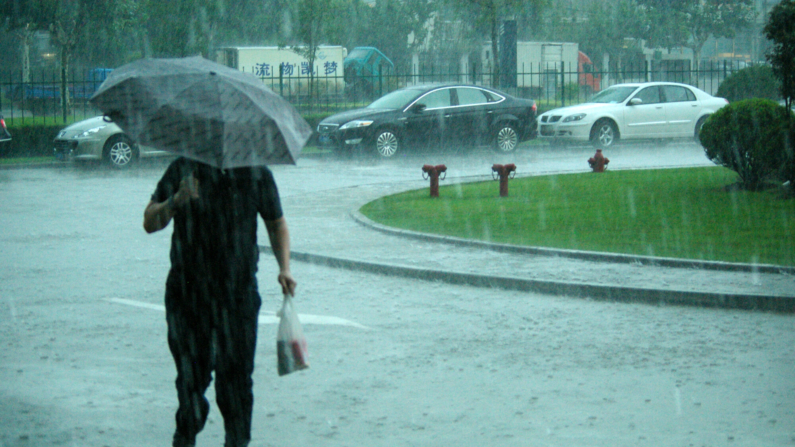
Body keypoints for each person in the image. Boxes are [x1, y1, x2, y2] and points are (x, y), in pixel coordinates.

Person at [143, 157, 296, 447]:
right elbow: (149, 221)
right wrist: (176, 200)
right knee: (190, 380)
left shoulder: (256, 174)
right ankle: (187, 430)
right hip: (187, 296)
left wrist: (285, 268)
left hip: (237, 296)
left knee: (237, 382)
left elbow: (277, 225)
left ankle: (236, 440)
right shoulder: (183, 168)